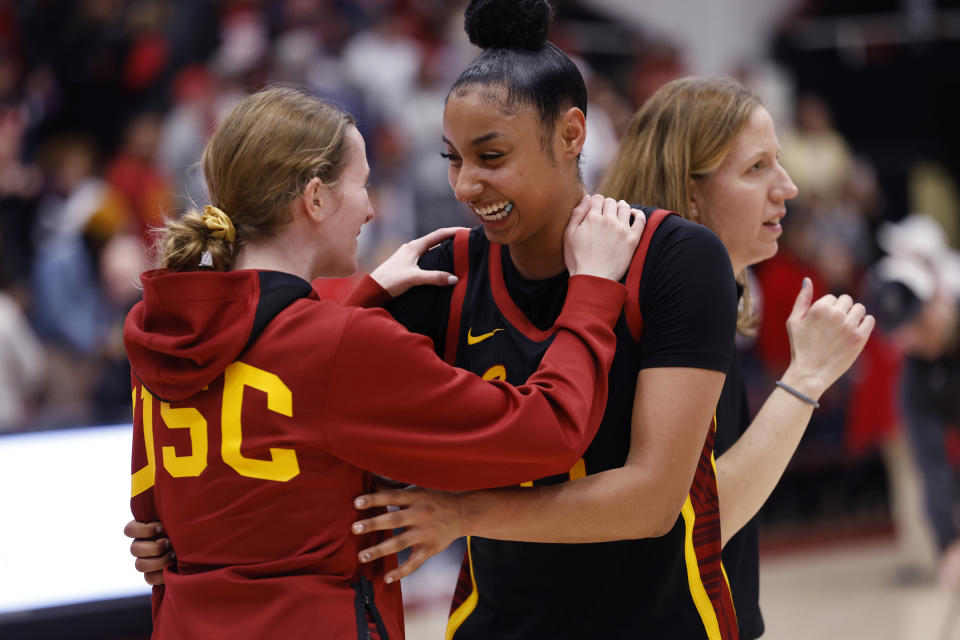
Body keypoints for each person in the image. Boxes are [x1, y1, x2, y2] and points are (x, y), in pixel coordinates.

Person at [129, 5, 873, 640]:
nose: (464, 185)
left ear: (572, 134)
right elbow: (288, 392)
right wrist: (178, 535)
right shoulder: (443, 269)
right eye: (453, 158)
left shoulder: (677, 256)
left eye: (491, 156)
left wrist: (459, 513)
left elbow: (653, 500)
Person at [346, 75, 872, 639]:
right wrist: (804, 381)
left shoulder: (699, 285)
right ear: (690, 190)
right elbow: (704, 511)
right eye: (756, 168)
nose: (787, 186)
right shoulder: (674, 289)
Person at [123, 84, 643, 640]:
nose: (372, 208)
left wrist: (362, 295)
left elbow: (162, 525)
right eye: (362, 183)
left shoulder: (169, 328)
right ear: (315, 197)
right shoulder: (341, 343)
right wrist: (590, 292)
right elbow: (549, 431)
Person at [866, 224, 960, 590]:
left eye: (920, 324)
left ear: (938, 296)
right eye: (904, 333)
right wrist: (949, 544)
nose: (915, 340)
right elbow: (931, 464)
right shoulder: (914, 376)